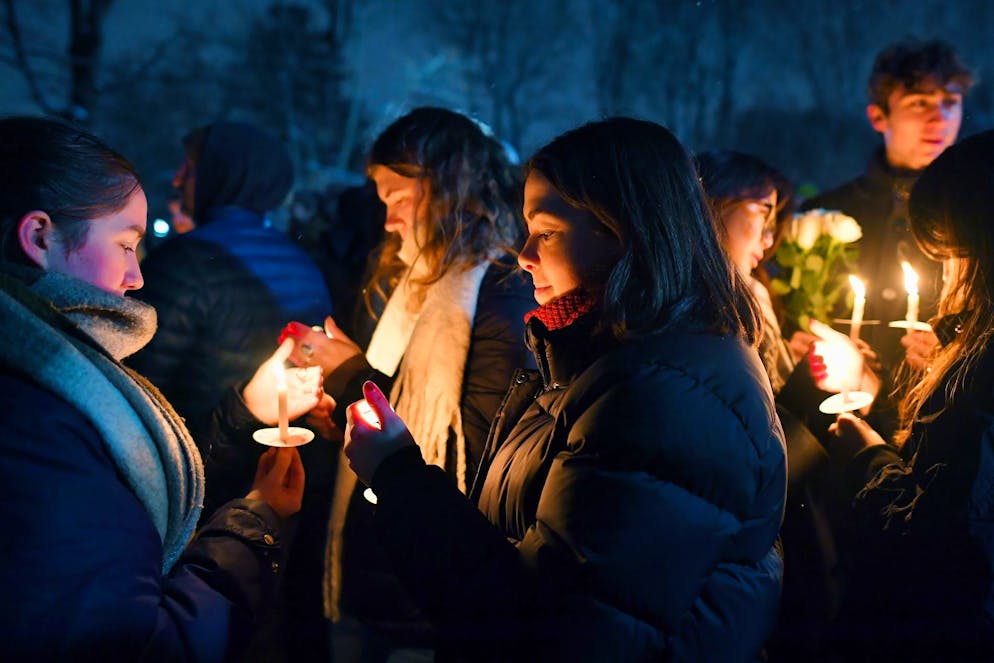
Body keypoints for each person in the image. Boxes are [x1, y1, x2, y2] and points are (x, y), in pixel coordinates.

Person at [339, 117, 787, 660]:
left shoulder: (659, 395)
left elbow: (545, 624)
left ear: (621, 229)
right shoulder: (593, 361)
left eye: (546, 231)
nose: (524, 253)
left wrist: (398, 473)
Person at [0, 116, 314, 660]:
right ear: (38, 237)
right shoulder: (39, 421)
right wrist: (253, 524)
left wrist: (244, 411)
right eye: (125, 245)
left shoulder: (61, 385)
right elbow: (138, 641)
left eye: (136, 247)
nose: (139, 278)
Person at [280, 107, 535, 660]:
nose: (389, 220)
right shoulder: (407, 284)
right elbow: (393, 398)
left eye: (399, 197)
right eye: (382, 200)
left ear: (449, 185)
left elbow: (474, 448)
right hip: (372, 560)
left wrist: (351, 375)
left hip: (429, 583)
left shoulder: (499, 295)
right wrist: (339, 419)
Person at [818, 129, 994, 660]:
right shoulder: (973, 349)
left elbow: (937, 541)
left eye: (951, 255)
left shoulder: (983, 369)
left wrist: (866, 455)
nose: (946, 278)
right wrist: (883, 398)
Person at [802, 38, 973, 375]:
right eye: (919, 103)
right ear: (878, 116)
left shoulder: (977, 211)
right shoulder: (828, 213)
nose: (938, 118)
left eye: (950, 101)